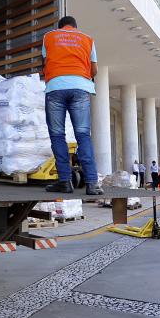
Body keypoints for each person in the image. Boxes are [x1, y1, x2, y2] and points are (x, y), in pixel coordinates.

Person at [41, 16, 102, 195]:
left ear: (60, 27)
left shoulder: (49, 37)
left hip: (55, 87)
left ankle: (65, 182)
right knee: (83, 135)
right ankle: (91, 183)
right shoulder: (87, 39)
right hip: (80, 88)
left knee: (57, 135)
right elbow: (94, 69)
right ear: (75, 27)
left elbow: (45, 62)